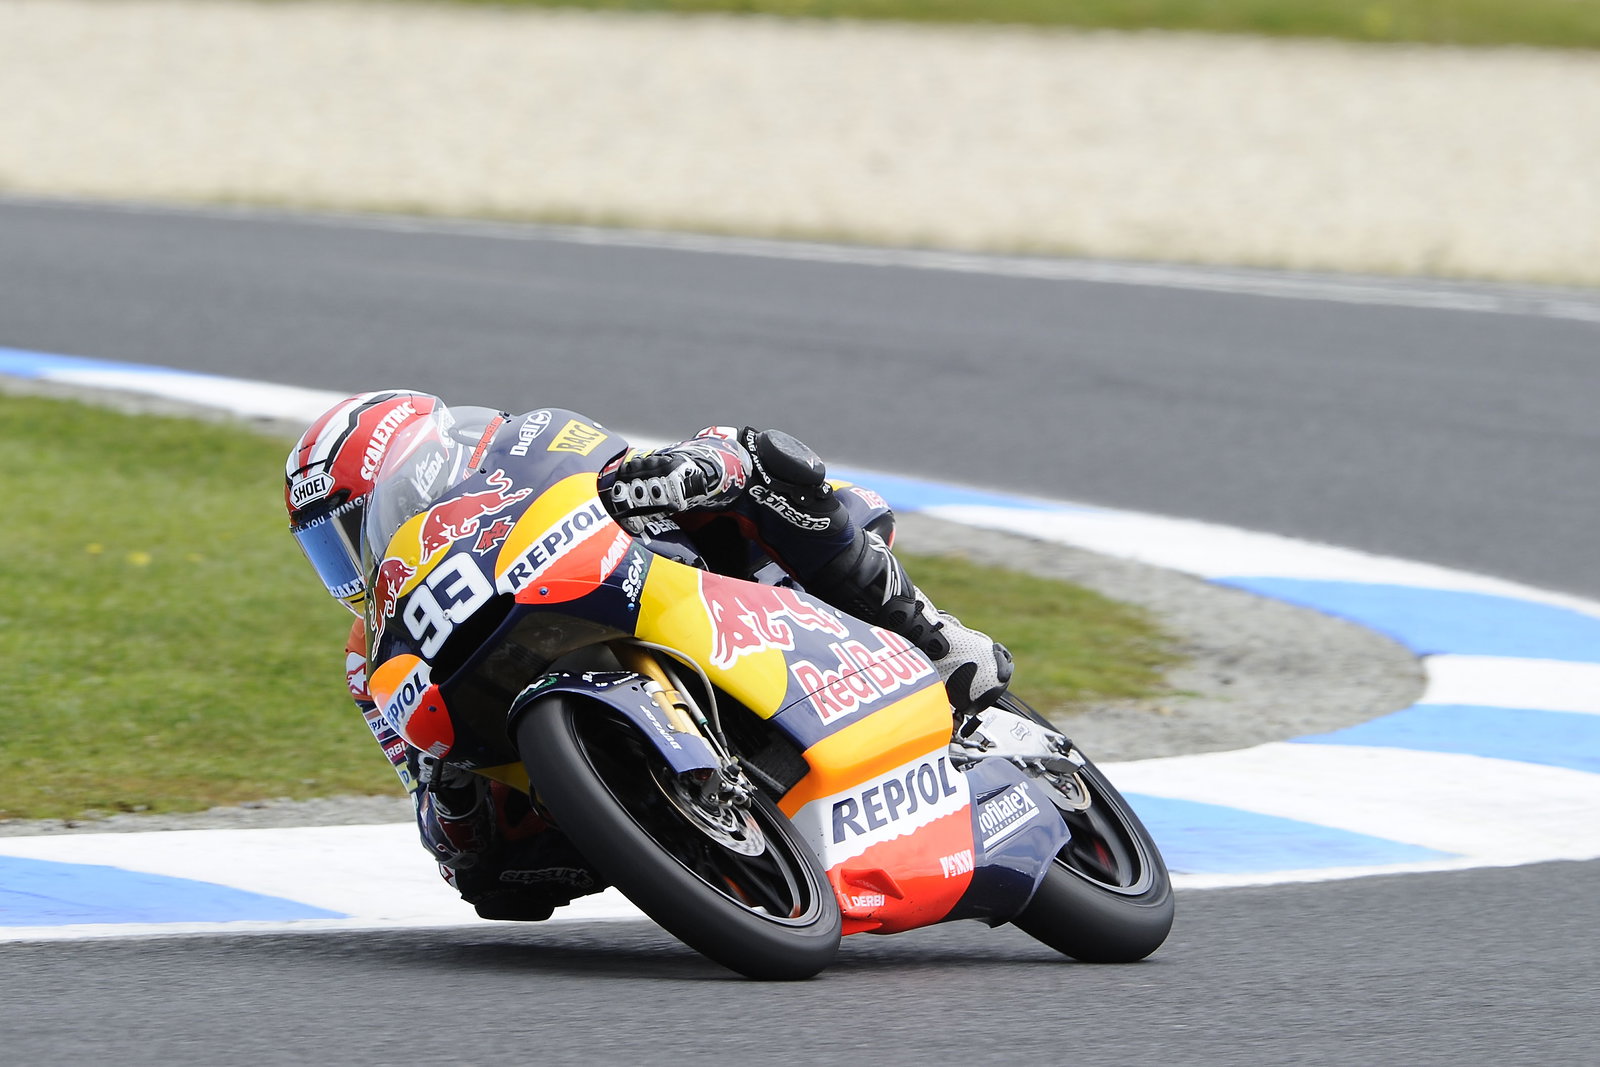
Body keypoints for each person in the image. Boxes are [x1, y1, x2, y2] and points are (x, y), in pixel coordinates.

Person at [285, 390, 1012, 921]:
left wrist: (684, 471)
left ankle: (932, 638)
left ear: (415, 473)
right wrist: (449, 790)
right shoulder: (372, 658)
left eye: (354, 529)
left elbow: (604, 456)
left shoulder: (521, 442)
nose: (351, 565)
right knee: (491, 885)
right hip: (537, 713)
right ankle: (668, 824)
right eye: (330, 552)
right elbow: (432, 813)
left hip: (659, 569)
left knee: (753, 454)